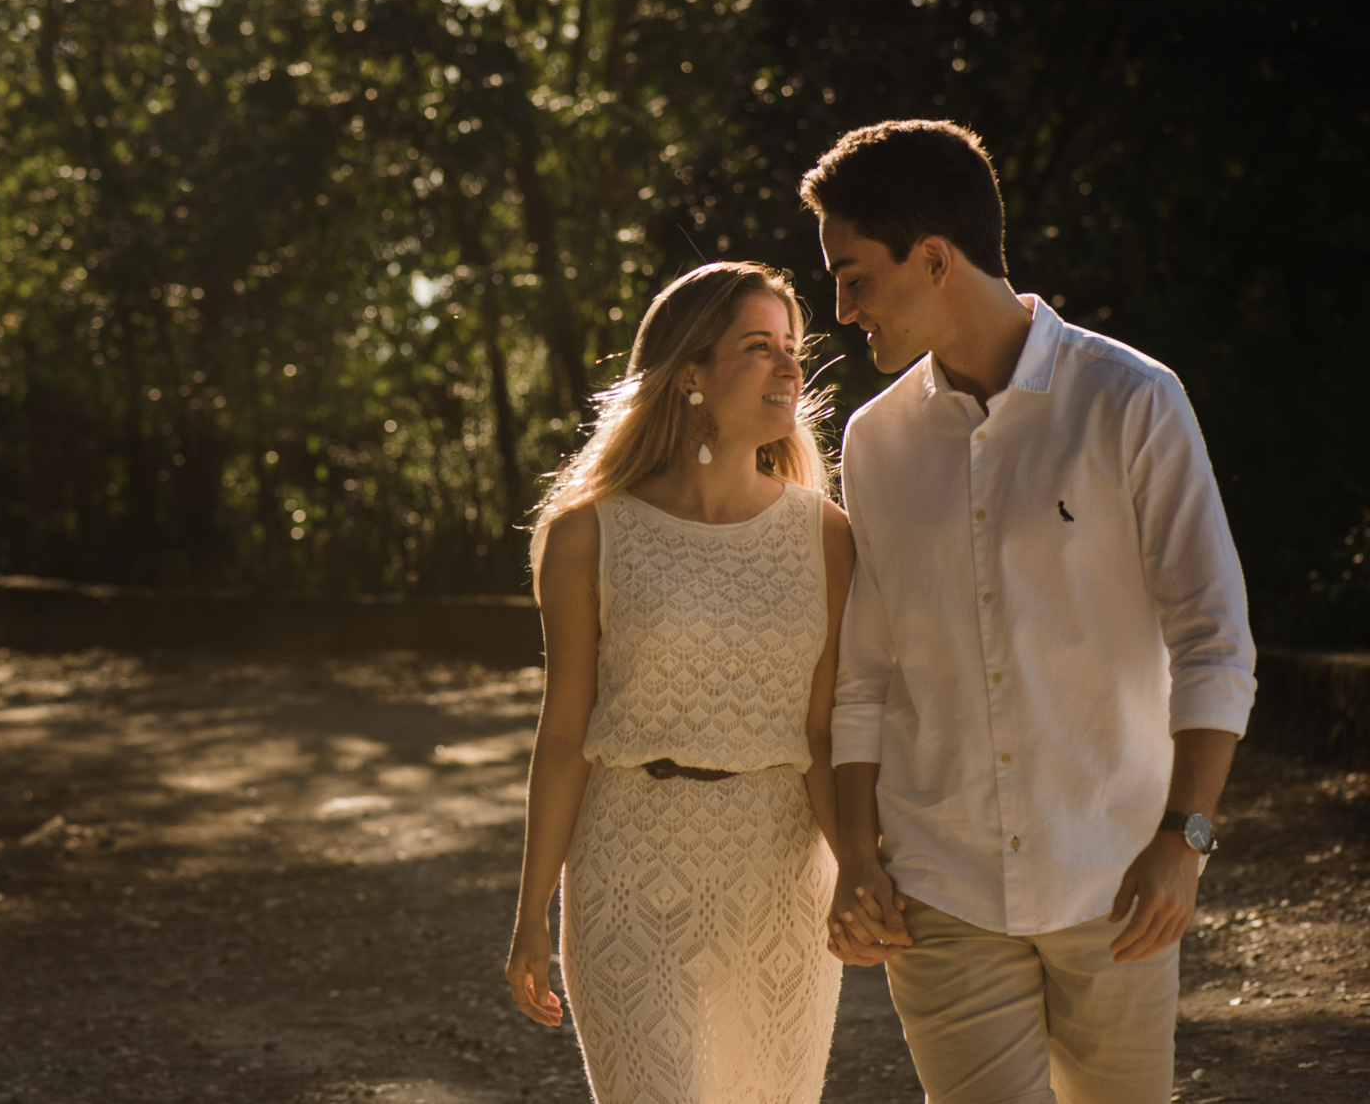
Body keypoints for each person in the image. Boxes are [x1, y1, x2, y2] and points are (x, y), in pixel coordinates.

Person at [801, 120, 1257, 1103]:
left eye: (853, 276)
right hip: (941, 888)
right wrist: (856, 855)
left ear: (932, 258)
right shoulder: (873, 441)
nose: (838, 311)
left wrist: (1182, 842)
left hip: (1115, 880)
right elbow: (865, 674)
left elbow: (1212, 637)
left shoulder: (1129, 401)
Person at [503, 261, 851, 1104]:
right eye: (759, 347)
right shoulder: (588, 532)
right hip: (627, 867)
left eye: (792, 349)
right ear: (690, 373)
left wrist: (863, 874)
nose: (789, 368)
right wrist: (529, 913)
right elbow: (564, 733)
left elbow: (823, 733)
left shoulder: (825, 534)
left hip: (779, 876)